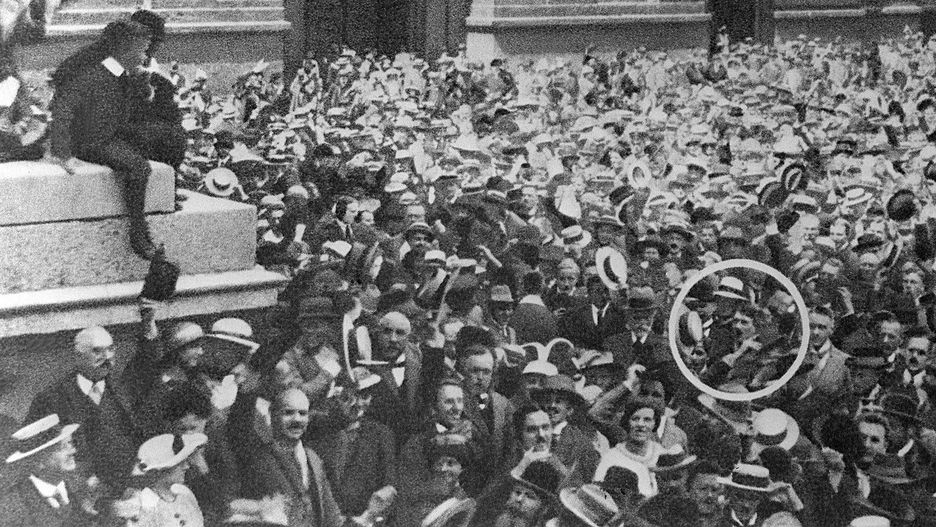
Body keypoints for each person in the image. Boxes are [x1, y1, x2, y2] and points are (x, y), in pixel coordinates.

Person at [46, 20, 160, 259]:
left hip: (109, 134)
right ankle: (138, 232)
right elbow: (62, 110)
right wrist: (64, 154)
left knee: (160, 138)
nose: (144, 56)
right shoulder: (92, 74)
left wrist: (141, 87)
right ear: (125, 50)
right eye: (141, 50)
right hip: (92, 143)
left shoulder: (118, 73)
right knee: (139, 167)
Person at [237, 387, 396, 526]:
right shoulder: (257, 455)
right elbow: (237, 425)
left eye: (302, 413)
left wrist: (369, 515)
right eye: (288, 413)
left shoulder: (313, 460)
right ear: (272, 415)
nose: (296, 420)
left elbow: (332, 521)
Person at [0, 414, 93, 527]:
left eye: (70, 443)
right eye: (62, 447)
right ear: (39, 462)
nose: (73, 450)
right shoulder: (13, 507)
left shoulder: (76, 484)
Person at [111, 433, 208, 527]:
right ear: (161, 470)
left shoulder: (184, 495)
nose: (186, 466)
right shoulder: (144, 504)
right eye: (179, 463)